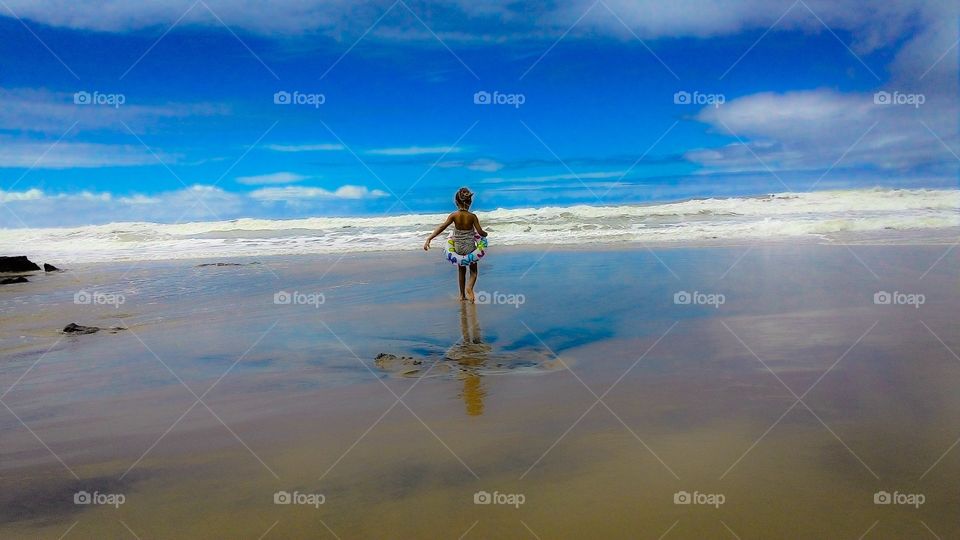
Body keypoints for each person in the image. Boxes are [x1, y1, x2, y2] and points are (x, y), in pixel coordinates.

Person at [423, 187, 488, 302]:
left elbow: (442, 227)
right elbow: (480, 232)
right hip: (470, 247)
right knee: (473, 271)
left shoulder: (454, 215)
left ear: (456, 202)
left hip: (458, 247)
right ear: (470, 202)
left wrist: (429, 238)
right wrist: (485, 234)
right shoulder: (472, 217)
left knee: (461, 270)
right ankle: (470, 288)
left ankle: (462, 295)